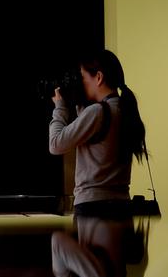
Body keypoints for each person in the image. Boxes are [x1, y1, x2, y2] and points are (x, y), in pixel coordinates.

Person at [48, 49, 147, 215]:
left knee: (57, 238)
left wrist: (60, 107)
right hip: (121, 205)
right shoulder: (124, 109)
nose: (81, 83)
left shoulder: (98, 112)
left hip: (93, 206)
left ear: (99, 77)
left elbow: (56, 144)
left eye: (83, 77)